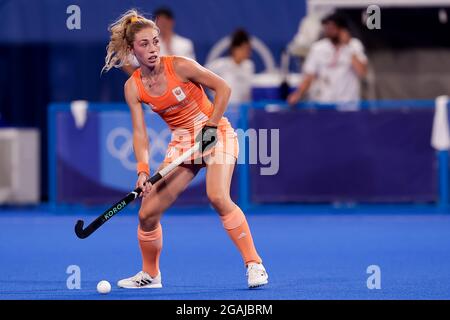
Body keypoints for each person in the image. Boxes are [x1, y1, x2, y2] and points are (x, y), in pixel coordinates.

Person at [101, 9, 268, 289]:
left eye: (156, 41)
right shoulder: (133, 87)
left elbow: (223, 88)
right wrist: (142, 171)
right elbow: (140, 133)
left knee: (216, 195)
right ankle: (151, 275)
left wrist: (211, 128)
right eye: (145, 44)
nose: (153, 49)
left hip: (217, 132)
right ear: (132, 49)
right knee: (147, 214)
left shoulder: (180, 65)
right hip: (182, 144)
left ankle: (255, 264)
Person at [287, 13, 368, 105]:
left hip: (348, 106)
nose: (328, 30)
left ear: (342, 29)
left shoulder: (354, 46)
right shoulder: (318, 48)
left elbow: (362, 72)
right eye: (327, 27)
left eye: (332, 28)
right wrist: (298, 94)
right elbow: (309, 76)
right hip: (324, 105)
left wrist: (347, 46)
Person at [122, 7, 196, 76]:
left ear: (171, 22)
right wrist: (141, 81)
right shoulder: (149, 42)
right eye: (160, 22)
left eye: (165, 22)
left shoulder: (185, 44)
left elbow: (191, 69)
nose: (162, 25)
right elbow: (127, 63)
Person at [206, 29, 254, 104]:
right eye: (244, 49)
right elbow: (201, 79)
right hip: (223, 111)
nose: (248, 52)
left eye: (249, 49)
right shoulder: (219, 65)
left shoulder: (249, 66)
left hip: (242, 111)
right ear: (235, 49)